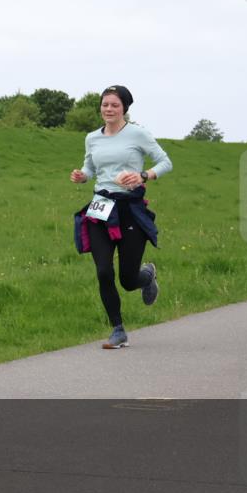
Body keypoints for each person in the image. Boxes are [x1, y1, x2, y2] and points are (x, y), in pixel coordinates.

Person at [70, 85, 173, 349]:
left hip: (130, 209)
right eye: (105, 104)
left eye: (114, 105)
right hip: (101, 207)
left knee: (127, 280)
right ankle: (118, 329)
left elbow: (165, 162)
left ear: (124, 108)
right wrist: (82, 176)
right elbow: (90, 167)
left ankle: (146, 277)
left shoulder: (137, 133)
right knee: (104, 271)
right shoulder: (92, 138)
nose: (109, 109)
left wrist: (143, 175)